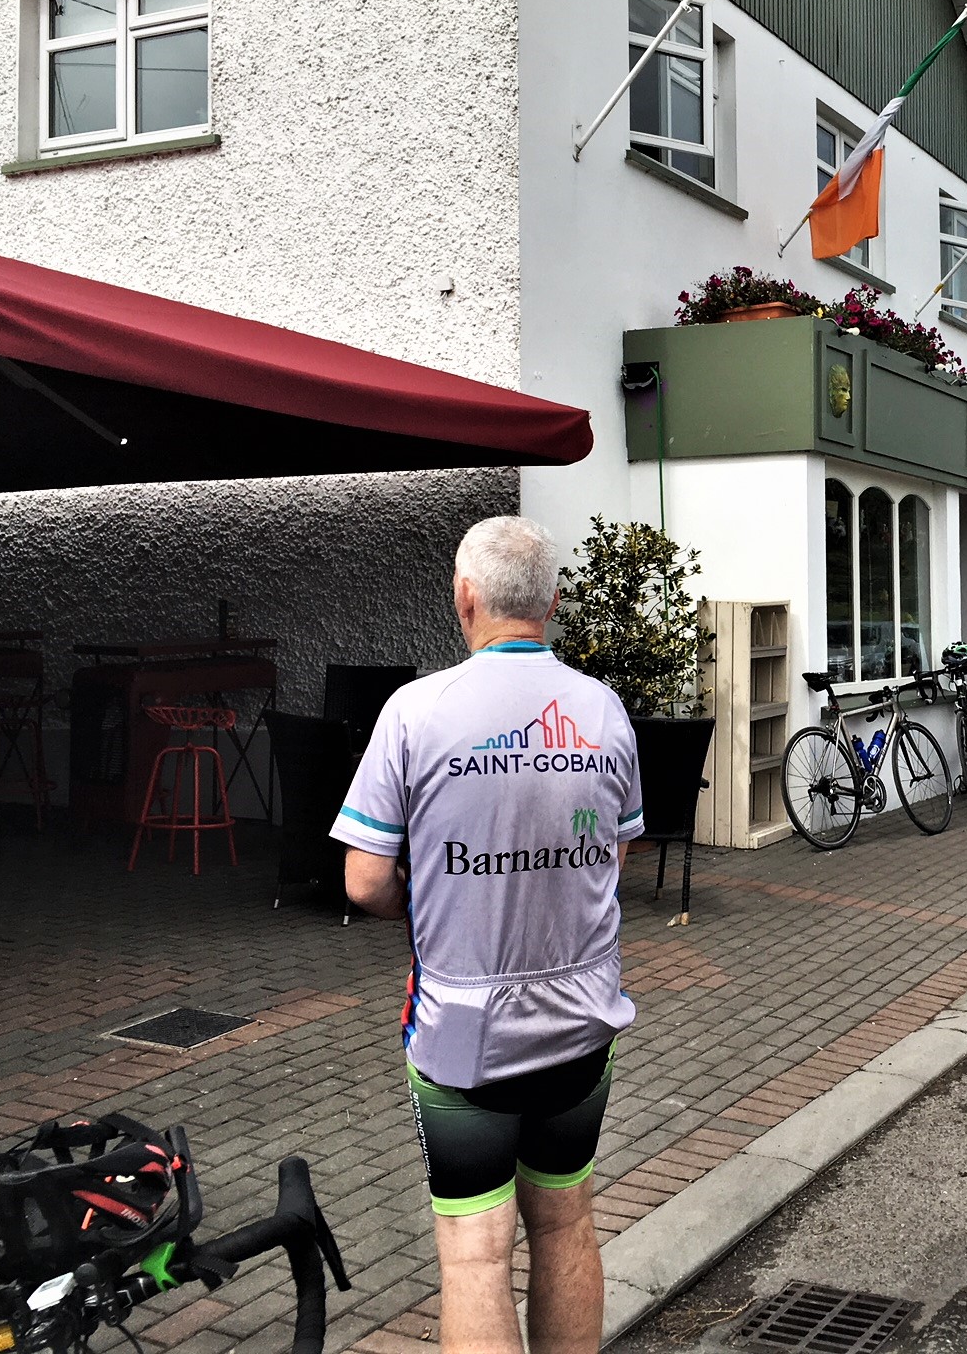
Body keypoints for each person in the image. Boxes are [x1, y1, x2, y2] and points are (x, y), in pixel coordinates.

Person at [336, 516, 641, 1354]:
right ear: (551, 601)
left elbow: (364, 881)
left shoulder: (415, 711)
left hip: (462, 1031)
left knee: (475, 1256)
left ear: (465, 598)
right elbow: (612, 853)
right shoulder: (604, 710)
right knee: (568, 1218)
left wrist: (428, 904)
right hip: (583, 1020)